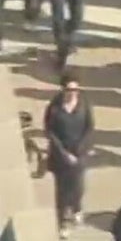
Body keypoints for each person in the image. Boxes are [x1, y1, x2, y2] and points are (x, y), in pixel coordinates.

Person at [44, 70, 93, 237]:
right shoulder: (55, 107)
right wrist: (64, 153)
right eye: (70, 90)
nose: (73, 94)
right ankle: (63, 222)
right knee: (63, 191)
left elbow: (89, 127)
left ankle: (76, 208)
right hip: (61, 157)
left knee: (78, 186)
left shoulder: (84, 104)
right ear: (63, 90)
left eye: (76, 90)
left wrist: (82, 147)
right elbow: (50, 132)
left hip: (79, 154)